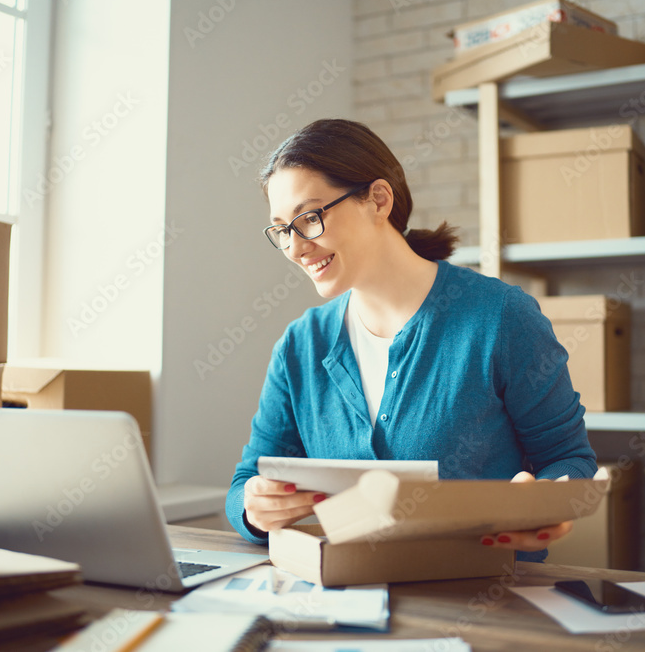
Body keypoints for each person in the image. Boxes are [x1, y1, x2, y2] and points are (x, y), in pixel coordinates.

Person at [225, 118, 597, 562]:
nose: (295, 248)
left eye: (309, 218)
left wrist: (549, 502)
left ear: (378, 200)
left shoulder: (500, 318)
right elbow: (246, 481)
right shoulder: (301, 344)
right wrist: (254, 508)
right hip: (346, 595)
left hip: (485, 598)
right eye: (283, 229)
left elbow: (569, 459)